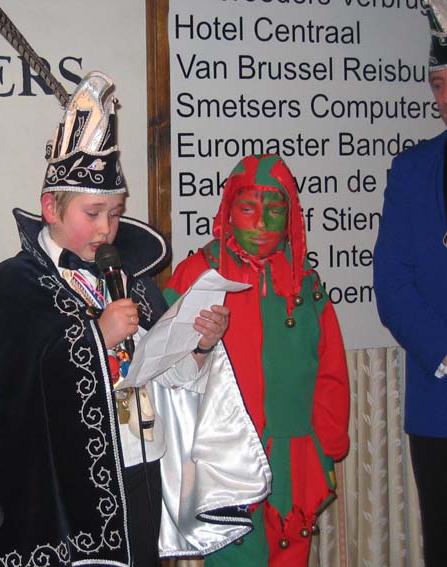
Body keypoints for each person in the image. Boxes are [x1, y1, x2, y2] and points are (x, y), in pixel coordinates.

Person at [0, 71, 270, 567]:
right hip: (65, 490)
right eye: (93, 213)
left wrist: (197, 346)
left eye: (117, 212)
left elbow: (160, 372)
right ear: (50, 208)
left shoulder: (128, 280)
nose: (107, 229)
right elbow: (7, 398)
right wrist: (95, 337)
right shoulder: (12, 287)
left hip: (141, 465)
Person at [165, 154, 350, 567]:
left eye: (275, 210)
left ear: (290, 216)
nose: (262, 223)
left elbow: (330, 368)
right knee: (235, 556)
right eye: (248, 208)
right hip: (224, 454)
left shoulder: (305, 284)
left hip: (293, 452)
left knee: (290, 549)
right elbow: (162, 366)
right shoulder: (196, 275)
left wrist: (327, 440)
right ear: (229, 212)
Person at [373, 3, 447, 565]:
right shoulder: (413, 169)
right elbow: (392, 282)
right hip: (440, 399)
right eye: (438, 85)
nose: (444, 99)